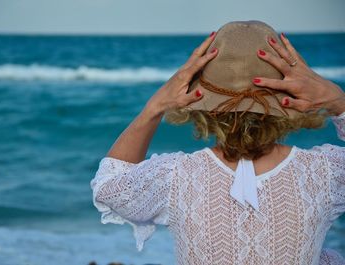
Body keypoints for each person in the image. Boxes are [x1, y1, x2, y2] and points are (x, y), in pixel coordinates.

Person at [90, 20, 345, 264]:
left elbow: (109, 187)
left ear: (203, 105)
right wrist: (337, 101)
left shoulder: (178, 177)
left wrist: (155, 107)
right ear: (290, 97)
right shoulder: (324, 172)